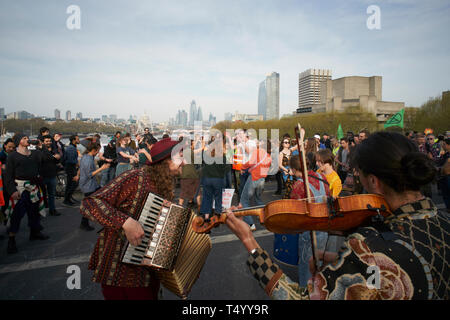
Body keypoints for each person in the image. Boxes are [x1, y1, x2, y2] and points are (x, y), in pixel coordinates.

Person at [225, 131, 449, 300]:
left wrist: (250, 243)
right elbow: (377, 285)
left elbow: (301, 298)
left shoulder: (368, 248)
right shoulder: (444, 223)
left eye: (359, 177)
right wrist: (344, 264)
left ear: (374, 181)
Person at [80, 137, 185, 300]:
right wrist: (125, 222)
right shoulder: (135, 177)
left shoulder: (162, 183)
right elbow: (90, 204)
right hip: (121, 275)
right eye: (181, 156)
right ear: (165, 161)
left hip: (147, 273)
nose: (185, 162)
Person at [288, 153, 330, 286]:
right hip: (326, 228)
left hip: (309, 232)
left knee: (307, 270)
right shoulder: (322, 177)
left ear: (295, 170)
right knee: (322, 268)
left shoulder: (299, 186)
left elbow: (294, 214)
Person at [4, 134, 49, 254]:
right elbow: (8, 176)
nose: (27, 139)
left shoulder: (34, 154)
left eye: (27, 138)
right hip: (20, 188)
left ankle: (34, 233)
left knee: (34, 212)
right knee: (16, 215)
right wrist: (12, 191)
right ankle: (11, 240)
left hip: (33, 187)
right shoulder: (12, 156)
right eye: (24, 138)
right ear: (19, 141)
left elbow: (48, 159)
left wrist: (41, 147)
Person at [239, 139, 272, 231]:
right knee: (258, 199)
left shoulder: (257, 151)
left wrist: (242, 167)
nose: (257, 143)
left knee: (244, 200)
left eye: (260, 142)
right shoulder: (269, 156)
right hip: (262, 179)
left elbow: (250, 163)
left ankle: (250, 224)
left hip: (254, 178)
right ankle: (263, 218)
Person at [79, 141, 110, 231]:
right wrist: (102, 168)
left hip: (90, 185)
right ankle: (85, 223)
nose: (98, 153)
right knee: (90, 205)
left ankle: (86, 222)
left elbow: (81, 168)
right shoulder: (88, 159)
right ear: (93, 150)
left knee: (92, 204)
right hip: (88, 186)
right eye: (98, 151)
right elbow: (89, 174)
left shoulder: (86, 156)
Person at [40, 135, 61, 216]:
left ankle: (52, 210)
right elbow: (43, 159)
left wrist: (57, 158)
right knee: (41, 195)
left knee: (52, 194)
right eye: (47, 141)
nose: (49, 143)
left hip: (52, 175)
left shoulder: (53, 150)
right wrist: (53, 157)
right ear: (42, 142)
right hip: (42, 176)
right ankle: (40, 211)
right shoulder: (39, 150)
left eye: (50, 141)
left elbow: (57, 161)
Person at [63, 135, 80, 207]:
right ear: (74, 140)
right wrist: (77, 164)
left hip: (70, 167)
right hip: (70, 168)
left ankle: (68, 199)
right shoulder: (71, 148)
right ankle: (66, 200)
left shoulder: (72, 147)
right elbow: (71, 160)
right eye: (77, 139)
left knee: (71, 184)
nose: (79, 140)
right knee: (73, 184)